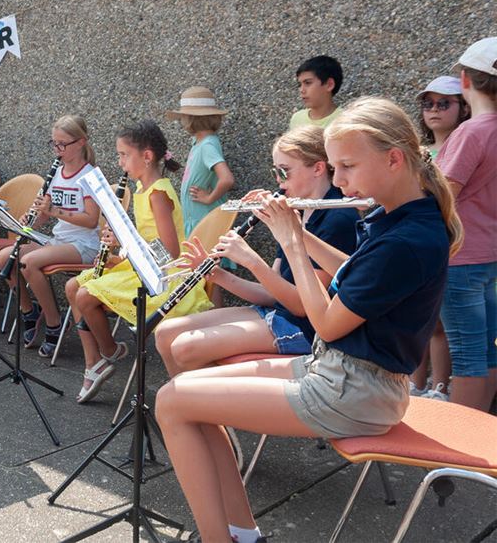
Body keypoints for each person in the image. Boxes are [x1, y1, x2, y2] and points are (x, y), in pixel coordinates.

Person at [154, 97, 461, 543]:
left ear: (394, 159)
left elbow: (327, 324)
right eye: (335, 168)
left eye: (348, 167)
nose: (340, 181)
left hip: (356, 390)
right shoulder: (400, 217)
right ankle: (242, 533)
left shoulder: (408, 239)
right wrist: (298, 230)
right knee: (186, 392)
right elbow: (352, 273)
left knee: (172, 402)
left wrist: (292, 242)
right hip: (344, 373)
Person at [154, 125, 360, 376]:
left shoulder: (337, 220)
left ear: (318, 168)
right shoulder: (295, 210)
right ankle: (194, 400)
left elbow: (301, 306)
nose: (278, 180)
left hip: (307, 328)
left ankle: (206, 399)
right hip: (280, 313)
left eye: (284, 171)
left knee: (186, 348)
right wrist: (216, 274)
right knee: (165, 333)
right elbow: (271, 294)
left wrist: (251, 260)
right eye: (275, 172)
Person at [68, 120, 211, 403]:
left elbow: (169, 251)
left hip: (166, 275)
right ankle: (94, 363)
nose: (120, 162)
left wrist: (125, 242)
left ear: (146, 156)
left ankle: (110, 351)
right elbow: (146, 238)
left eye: (124, 155)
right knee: (73, 287)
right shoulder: (142, 187)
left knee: (84, 296)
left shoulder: (158, 193)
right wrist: (118, 250)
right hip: (144, 265)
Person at [0, 115, 101, 357]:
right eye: (54, 143)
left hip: (84, 244)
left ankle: (54, 323)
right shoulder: (57, 172)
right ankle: (29, 311)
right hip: (59, 241)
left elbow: (91, 220)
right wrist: (32, 219)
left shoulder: (89, 176)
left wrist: (55, 211)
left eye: (62, 144)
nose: (57, 149)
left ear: (81, 142)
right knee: (4, 257)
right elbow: (44, 214)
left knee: (29, 262)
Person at [436, 37, 497, 411]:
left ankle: (460, 442)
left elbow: (443, 194)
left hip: (461, 258)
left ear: (465, 80)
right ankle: (483, 434)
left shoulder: (472, 132)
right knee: (488, 351)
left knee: (467, 354)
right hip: (490, 255)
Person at [409, 75, 470, 401]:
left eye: (444, 103)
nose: (434, 110)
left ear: (463, 107)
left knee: (443, 324)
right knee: (420, 317)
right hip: (419, 243)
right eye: (427, 103)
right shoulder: (418, 152)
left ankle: (439, 386)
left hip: (455, 245)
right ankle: (415, 382)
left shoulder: (466, 145)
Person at [172, 85, 236, 307]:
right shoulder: (199, 142)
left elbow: (226, 178)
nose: (181, 121)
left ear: (192, 119)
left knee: (209, 275)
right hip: (197, 220)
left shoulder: (208, 144)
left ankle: (214, 317)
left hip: (205, 219)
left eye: (183, 117)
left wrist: (209, 197)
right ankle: (209, 315)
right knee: (204, 275)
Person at [289, 55, 344, 129]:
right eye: (299, 85)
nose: (301, 90)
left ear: (329, 85)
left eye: (308, 83)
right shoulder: (297, 119)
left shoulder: (345, 121)